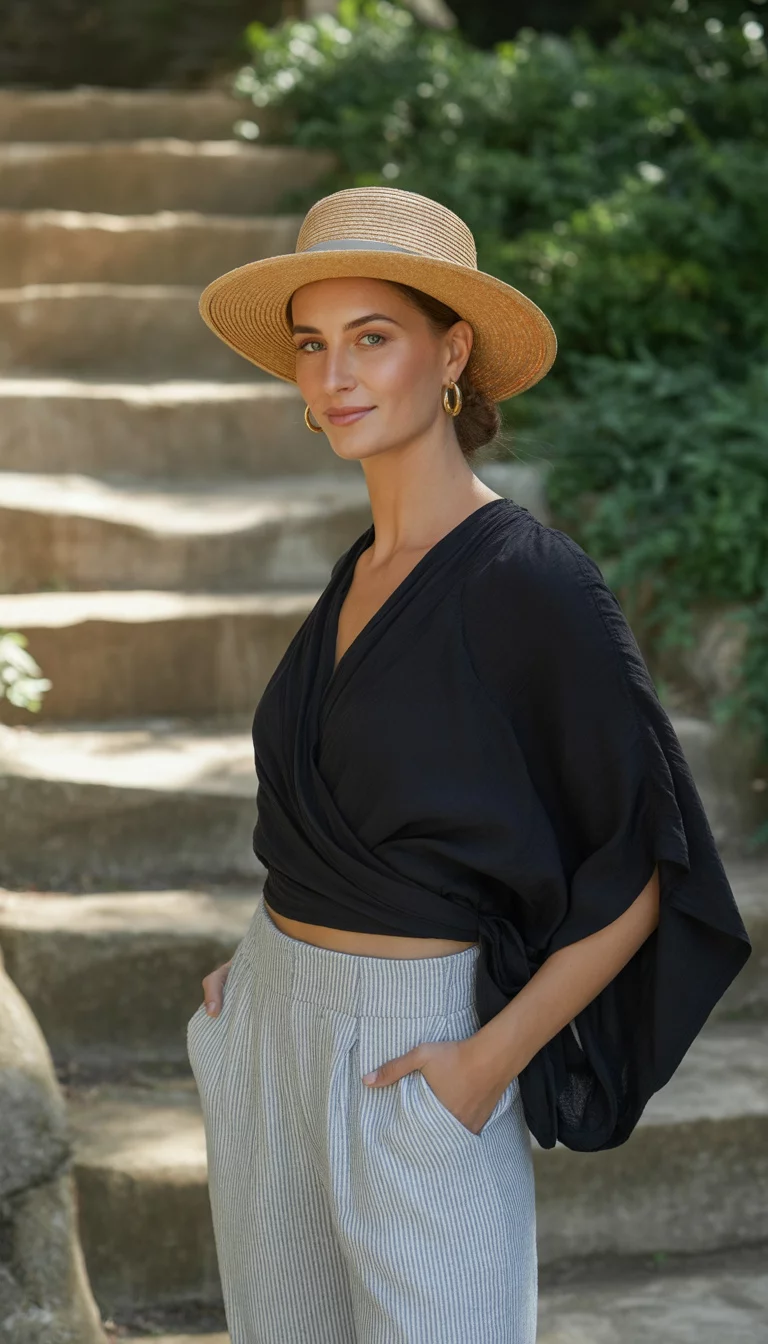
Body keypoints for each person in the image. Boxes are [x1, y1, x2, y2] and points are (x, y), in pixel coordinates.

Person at [187, 186, 752, 1344]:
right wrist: (261, 970)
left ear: (452, 353)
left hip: (418, 1052)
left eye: (372, 339)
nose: (333, 375)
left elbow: (644, 867)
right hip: (272, 1024)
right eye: (312, 345)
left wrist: (486, 1064)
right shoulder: (357, 575)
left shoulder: (531, 582)